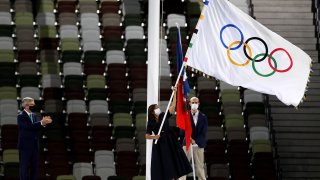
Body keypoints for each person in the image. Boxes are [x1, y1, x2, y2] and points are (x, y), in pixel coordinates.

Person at [145, 88, 192, 180]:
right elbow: (147, 135)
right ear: (152, 111)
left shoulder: (163, 115)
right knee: (164, 161)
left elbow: (173, 106)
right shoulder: (150, 122)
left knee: (173, 159)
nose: (158, 109)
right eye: (156, 108)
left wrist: (174, 93)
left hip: (170, 140)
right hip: (160, 143)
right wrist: (155, 136)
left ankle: (174, 177)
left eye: (158, 107)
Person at [18, 97, 53, 180]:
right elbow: (27, 127)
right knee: (24, 168)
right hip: (25, 146)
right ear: (26, 105)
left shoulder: (34, 115)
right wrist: (41, 122)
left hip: (34, 145)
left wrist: (44, 123)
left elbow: (36, 128)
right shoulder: (20, 116)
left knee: (35, 168)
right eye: (32, 104)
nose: (34, 105)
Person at [180, 97, 208, 180]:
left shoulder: (203, 117)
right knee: (183, 165)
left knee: (200, 166)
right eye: (193, 102)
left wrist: (195, 140)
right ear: (189, 103)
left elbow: (204, 131)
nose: (194, 104)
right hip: (187, 143)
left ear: (199, 104)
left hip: (199, 144)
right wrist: (189, 138)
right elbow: (182, 131)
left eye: (196, 102)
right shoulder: (186, 115)